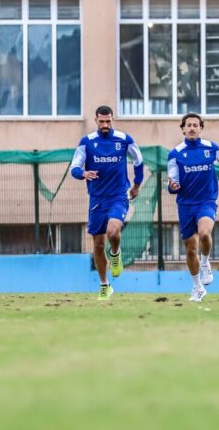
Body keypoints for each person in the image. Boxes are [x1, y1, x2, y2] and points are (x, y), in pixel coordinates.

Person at [70, 105, 144, 301]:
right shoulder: (87, 142)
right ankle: (104, 285)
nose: (105, 125)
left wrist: (136, 185)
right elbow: (74, 167)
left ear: (113, 120)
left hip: (119, 196)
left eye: (108, 121)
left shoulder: (124, 139)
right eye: (101, 121)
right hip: (96, 199)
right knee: (97, 244)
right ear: (96, 121)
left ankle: (116, 253)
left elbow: (138, 161)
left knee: (113, 231)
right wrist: (83, 173)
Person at [167, 113, 219, 302]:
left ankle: (205, 262)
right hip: (186, 204)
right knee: (190, 249)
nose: (192, 128)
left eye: (195, 125)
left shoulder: (211, 148)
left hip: (207, 201)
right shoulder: (175, 154)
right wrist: (172, 186)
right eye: (188, 125)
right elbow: (172, 182)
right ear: (182, 129)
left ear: (201, 128)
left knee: (205, 233)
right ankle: (197, 287)